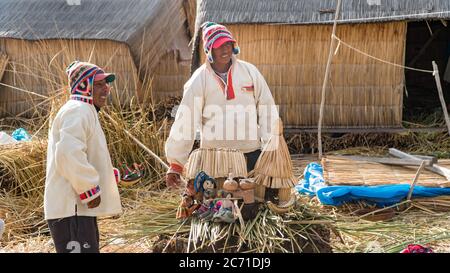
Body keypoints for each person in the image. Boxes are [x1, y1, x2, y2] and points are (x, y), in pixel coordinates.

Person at [165, 22, 279, 216]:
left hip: (249, 153)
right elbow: (186, 121)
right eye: (219, 45)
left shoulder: (250, 72)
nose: (225, 49)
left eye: (228, 44)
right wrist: (176, 163)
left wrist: (270, 147)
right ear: (209, 49)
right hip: (215, 158)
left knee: (252, 204)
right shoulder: (198, 80)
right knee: (219, 206)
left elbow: (267, 109)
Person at [44, 61, 122, 253]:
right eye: (99, 84)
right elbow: (68, 153)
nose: (106, 89)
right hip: (71, 208)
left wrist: (108, 176)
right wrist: (88, 188)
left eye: (107, 84)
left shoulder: (84, 110)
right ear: (84, 87)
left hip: (77, 208)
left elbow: (82, 155)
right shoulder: (77, 110)